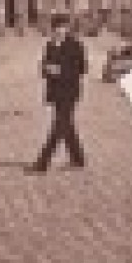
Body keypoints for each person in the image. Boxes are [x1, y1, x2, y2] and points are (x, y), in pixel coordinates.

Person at [30, 16, 88, 174]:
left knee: (58, 127)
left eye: (62, 28)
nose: (59, 31)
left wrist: (60, 71)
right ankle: (78, 158)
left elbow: (82, 69)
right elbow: (43, 66)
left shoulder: (76, 46)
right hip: (55, 92)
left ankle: (42, 163)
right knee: (66, 125)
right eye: (56, 28)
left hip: (70, 91)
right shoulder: (49, 45)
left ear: (67, 28)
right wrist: (46, 69)